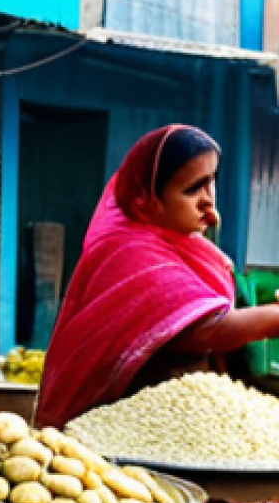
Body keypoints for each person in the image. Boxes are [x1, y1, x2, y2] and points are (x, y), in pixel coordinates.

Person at [37, 124, 279, 428]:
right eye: (193, 189)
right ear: (147, 198)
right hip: (131, 426)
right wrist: (274, 317)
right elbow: (205, 330)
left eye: (211, 182)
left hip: (184, 418)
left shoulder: (187, 244)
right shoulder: (130, 252)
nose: (208, 199)